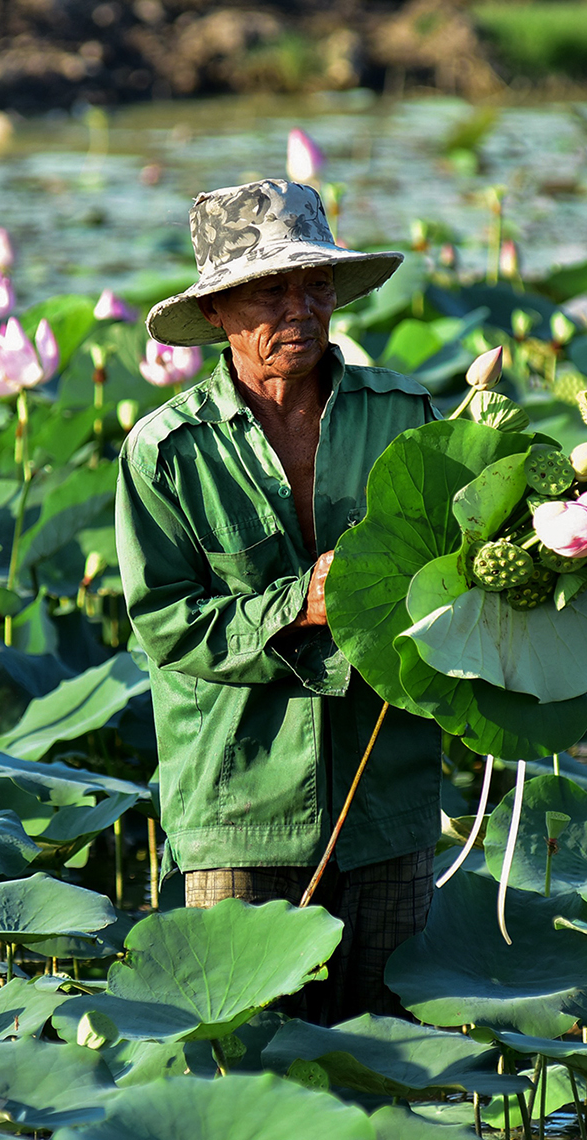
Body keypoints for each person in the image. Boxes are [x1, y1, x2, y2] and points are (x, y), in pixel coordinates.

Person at [115, 178, 451, 1022]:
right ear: (220, 312)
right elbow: (167, 625)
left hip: (391, 796)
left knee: (394, 1054)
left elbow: (457, 568)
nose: (298, 309)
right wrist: (299, 603)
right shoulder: (164, 453)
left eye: (313, 285)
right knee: (243, 1048)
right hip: (236, 803)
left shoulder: (408, 415)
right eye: (269, 291)